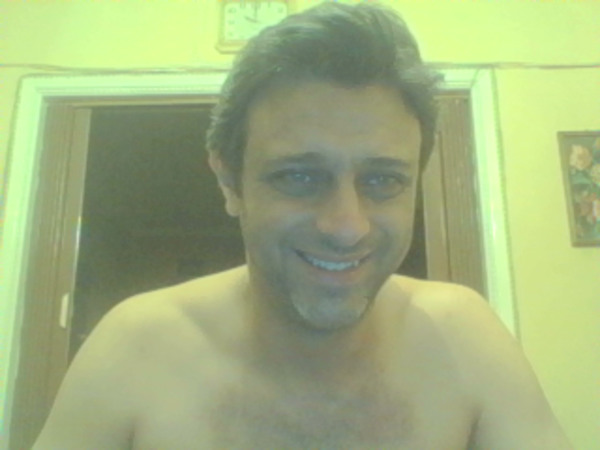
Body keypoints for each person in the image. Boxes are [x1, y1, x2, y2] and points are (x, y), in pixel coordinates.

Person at [34, 3, 571, 449]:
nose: (346, 227)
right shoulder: (135, 350)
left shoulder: (464, 339)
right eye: (299, 177)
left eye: (383, 180)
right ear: (230, 182)